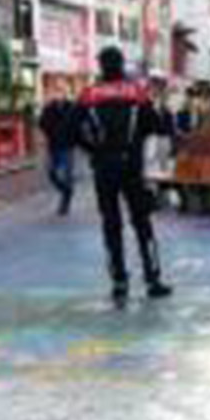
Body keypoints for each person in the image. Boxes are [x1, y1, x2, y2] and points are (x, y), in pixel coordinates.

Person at [75, 47, 172, 302]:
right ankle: (153, 279)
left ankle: (119, 281)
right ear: (121, 65)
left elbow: (70, 129)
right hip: (132, 166)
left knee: (111, 224)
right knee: (142, 223)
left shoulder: (88, 95)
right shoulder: (136, 93)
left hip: (104, 169)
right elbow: (158, 126)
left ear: (101, 66)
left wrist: (93, 150)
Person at [38, 84, 78, 216]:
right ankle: (66, 190)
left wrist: (75, 137)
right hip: (54, 145)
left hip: (67, 145)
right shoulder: (49, 108)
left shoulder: (72, 107)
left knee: (67, 175)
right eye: (57, 92)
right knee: (51, 173)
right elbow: (42, 123)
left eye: (62, 92)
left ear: (66, 93)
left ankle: (65, 203)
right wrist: (48, 134)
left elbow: (78, 123)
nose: (59, 95)